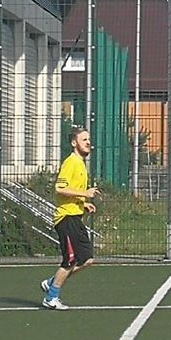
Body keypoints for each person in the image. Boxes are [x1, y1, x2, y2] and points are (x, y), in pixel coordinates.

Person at [42, 127, 97, 310]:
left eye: (89, 139)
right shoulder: (71, 162)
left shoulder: (81, 164)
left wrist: (83, 203)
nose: (88, 142)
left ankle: (52, 282)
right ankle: (51, 297)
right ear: (74, 143)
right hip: (66, 218)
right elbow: (60, 188)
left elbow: (71, 192)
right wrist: (85, 194)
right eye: (84, 139)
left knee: (87, 259)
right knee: (70, 261)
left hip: (75, 217)